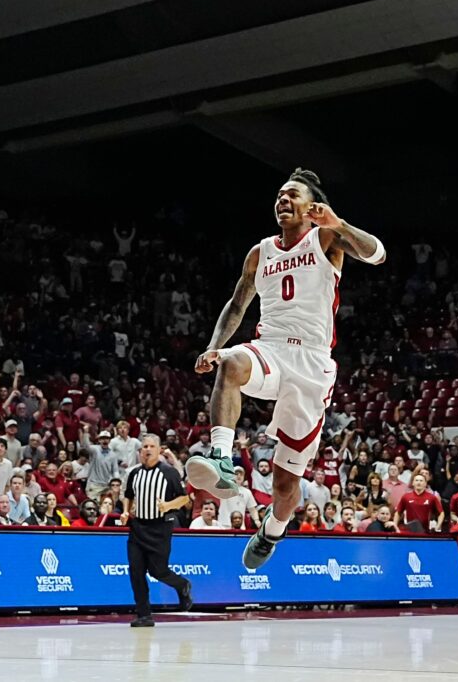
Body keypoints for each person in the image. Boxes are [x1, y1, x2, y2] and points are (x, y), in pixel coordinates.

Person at [190, 168, 385, 573]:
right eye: (279, 194)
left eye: (291, 194)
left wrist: (340, 223)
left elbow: (377, 253)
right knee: (231, 363)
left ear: (311, 205)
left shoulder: (326, 237)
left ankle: (273, 530)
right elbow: (238, 304)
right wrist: (214, 347)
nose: (282, 199)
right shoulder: (260, 252)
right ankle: (222, 460)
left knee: (284, 484)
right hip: (271, 349)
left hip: (312, 365)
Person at [122, 434, 193, 626]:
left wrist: (168, 505)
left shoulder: (169, 473)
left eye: (152, 446)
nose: (147, 449)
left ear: (159, 450)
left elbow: (185, 499)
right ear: (140, 451)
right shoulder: (134, 473)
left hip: (159, 528)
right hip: (137, 528)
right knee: (136, 572)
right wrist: (126, 512)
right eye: (144, 446)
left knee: (158, 571)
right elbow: (128, 495)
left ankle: (182, 585)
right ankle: (144, 614)